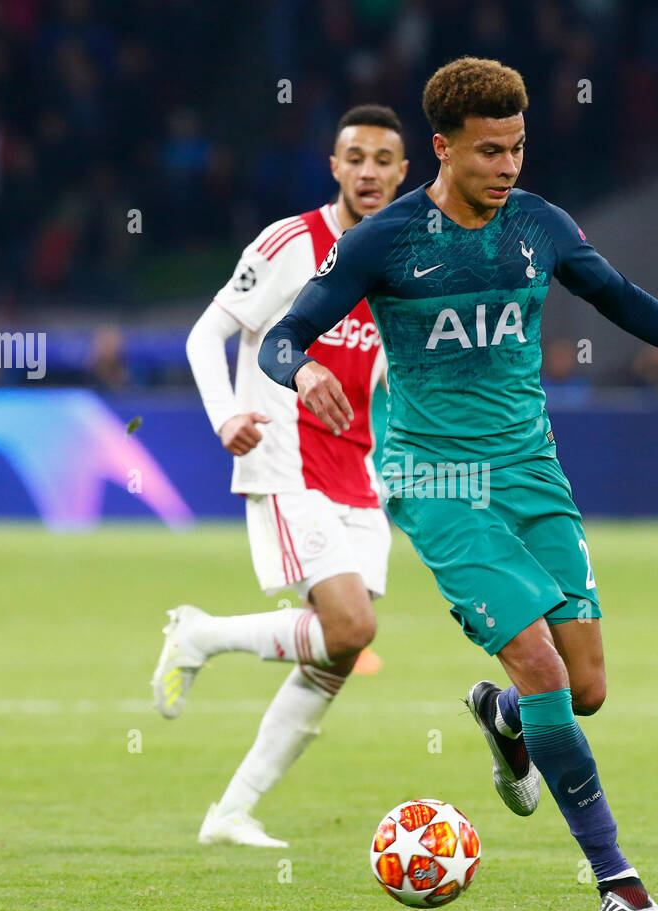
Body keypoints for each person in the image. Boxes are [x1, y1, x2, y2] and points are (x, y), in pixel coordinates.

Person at [258, 58, 658, 911]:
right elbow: (280, 338)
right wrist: (308, 369)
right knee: (544, 665)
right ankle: (616, 880)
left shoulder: (540, 226)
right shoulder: (386, 242)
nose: (508, 167)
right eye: (488, 153)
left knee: (584, 690)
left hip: (530, 470)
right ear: (441, 149)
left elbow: (626, 303)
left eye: (516, 148)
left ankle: (507, 719)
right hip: (437, 479)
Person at [150, 105, 409, 848]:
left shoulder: (399, 264)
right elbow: (208, 333)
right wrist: (225, 414)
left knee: (342, 648)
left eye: (381, 159)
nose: (366, 171)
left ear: (402, 171)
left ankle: (231, 811)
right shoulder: (293, 244)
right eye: (353, 157)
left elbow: (391, 373)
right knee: (351, 625)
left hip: (358, 472)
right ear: (334, 166)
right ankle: (200, 635)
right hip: (288, 463)